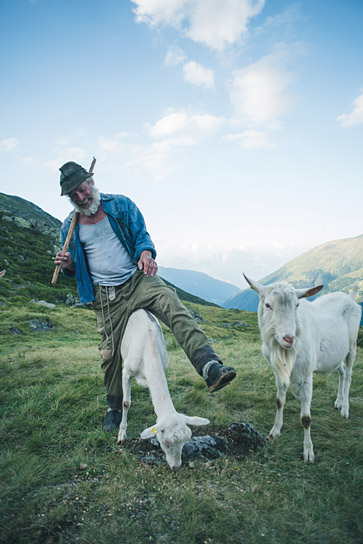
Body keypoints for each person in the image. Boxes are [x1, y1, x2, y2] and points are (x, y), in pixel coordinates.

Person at [54, 161, 237, 432]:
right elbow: (77, 269)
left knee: (171, 302)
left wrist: (146, 254)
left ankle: (209, 365)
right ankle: (114, 406)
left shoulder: (121, 205)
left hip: (137, 279)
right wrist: (68, 265)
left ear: (91, 183)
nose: (81, 198)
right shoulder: (69, 227)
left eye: (82, 190)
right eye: (74, 196)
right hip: (106, 296)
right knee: (109, 353)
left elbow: (142, 237)